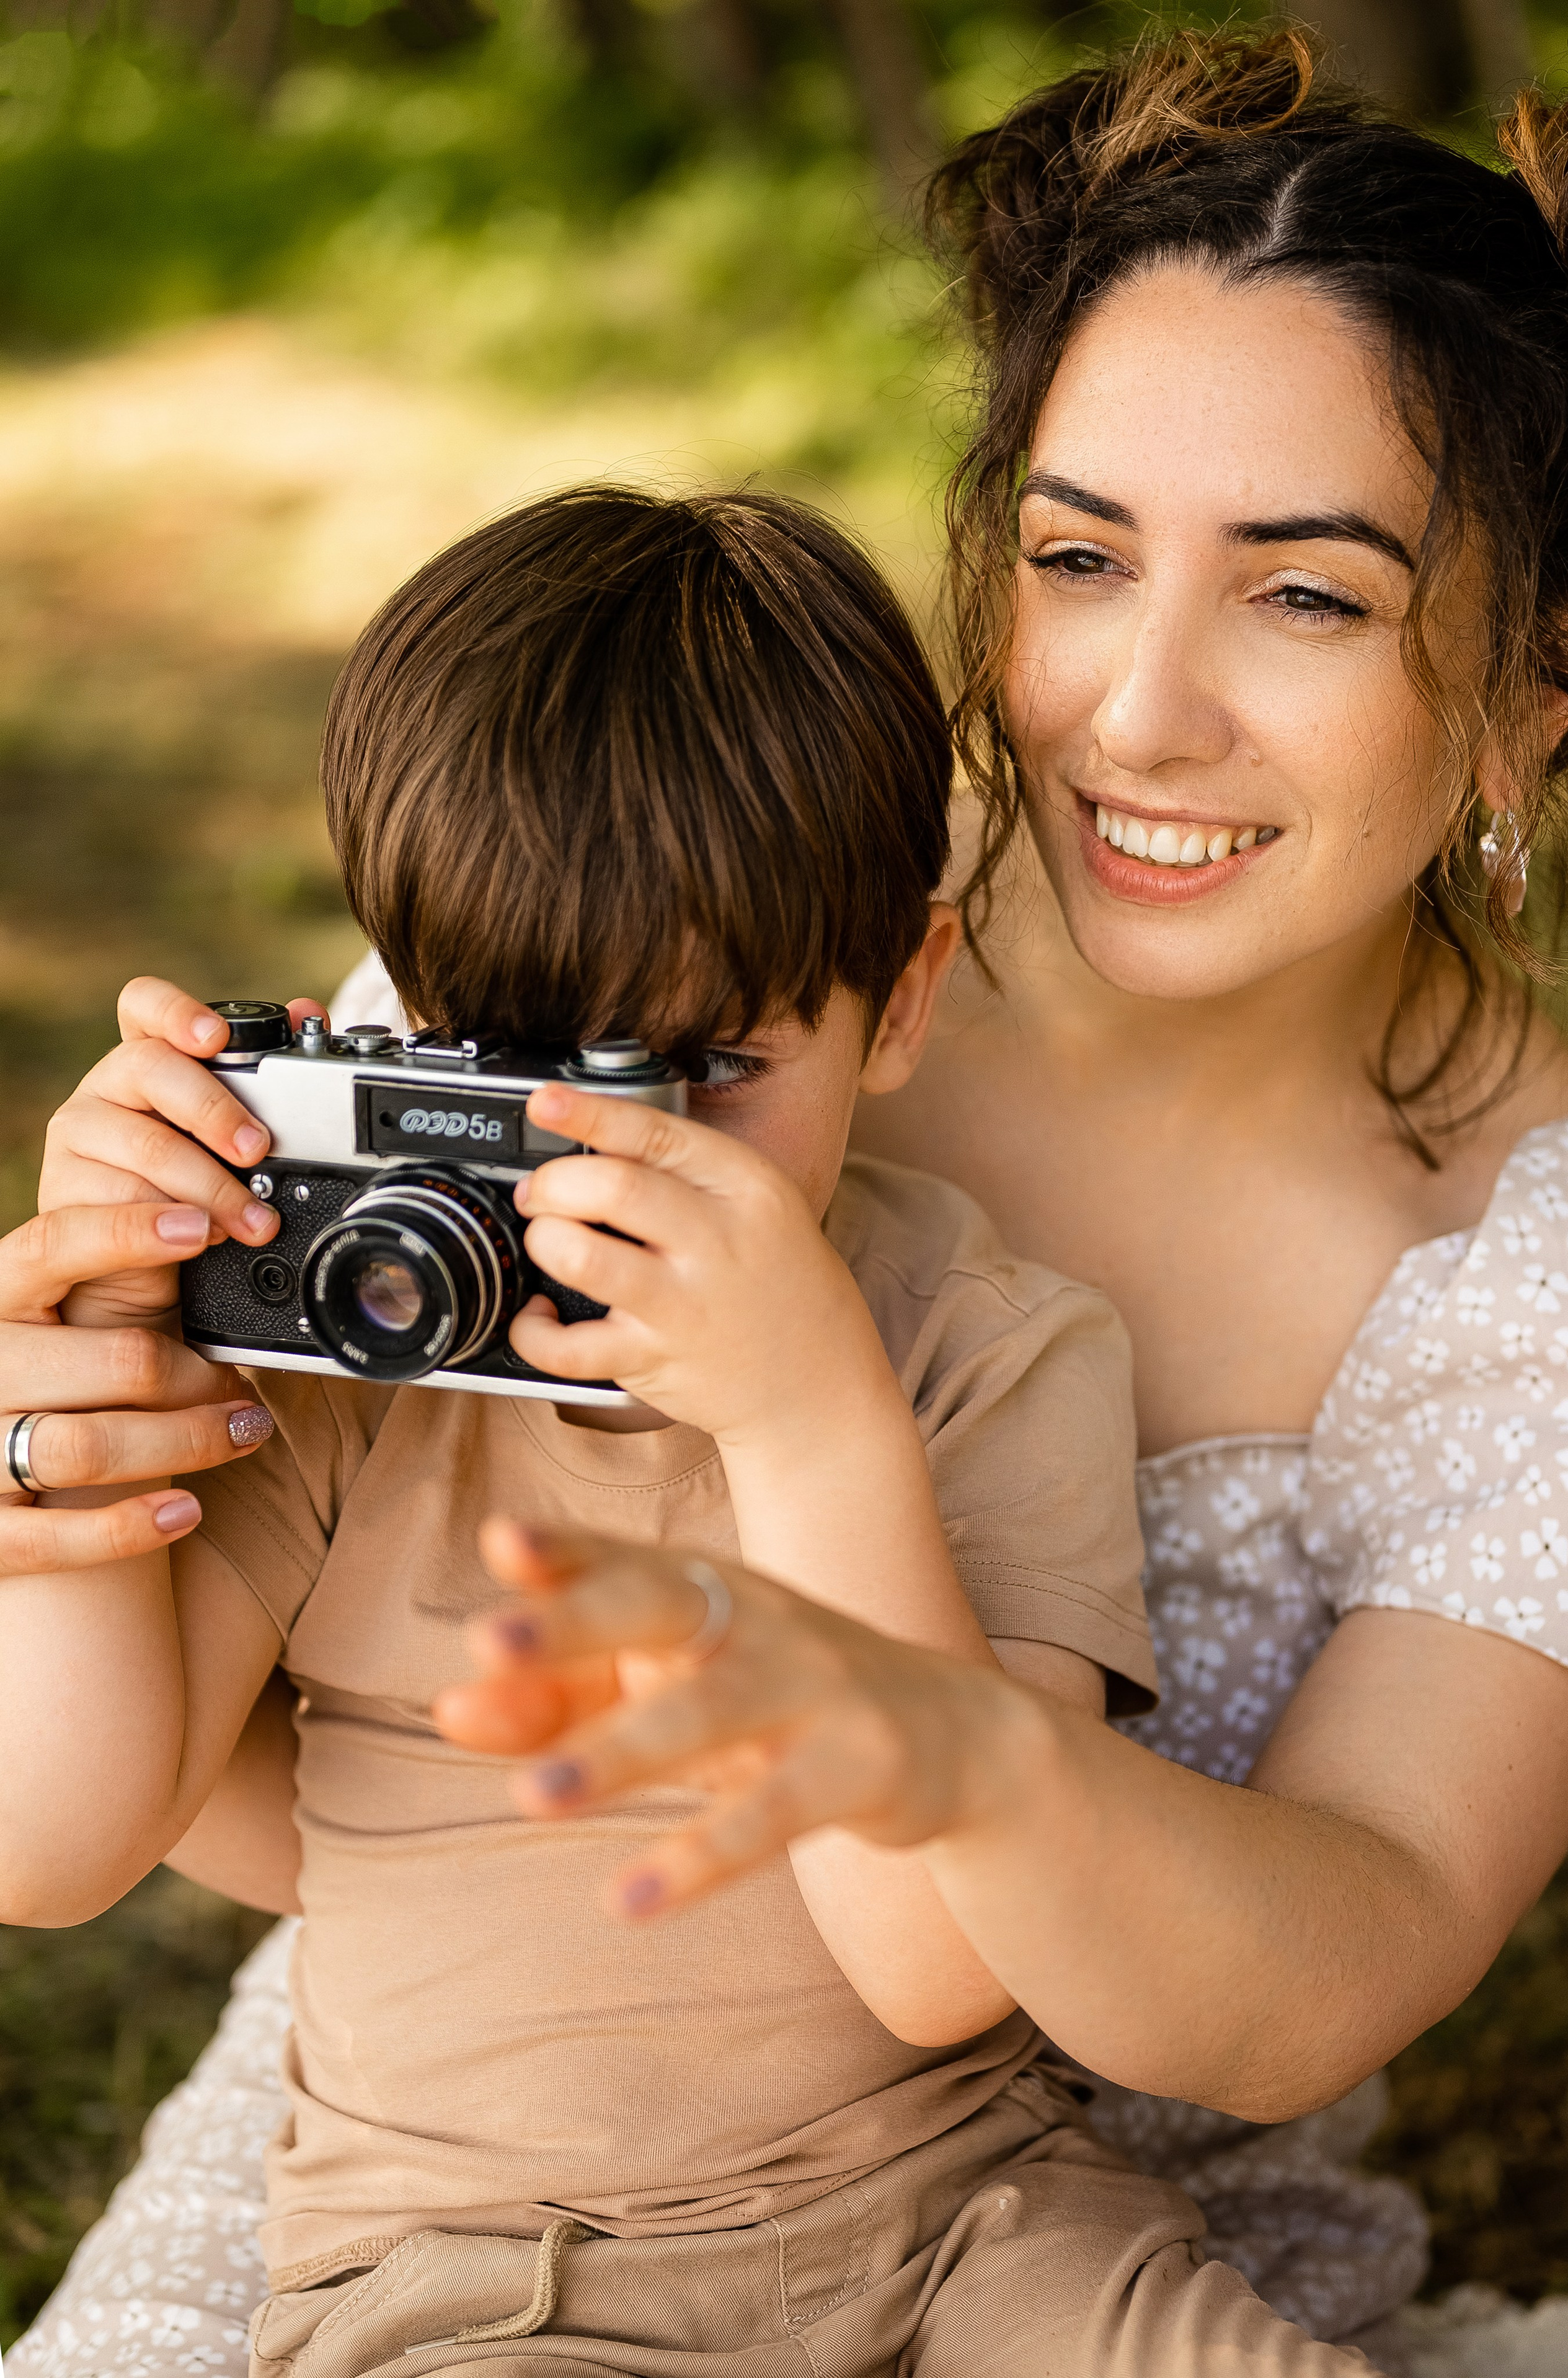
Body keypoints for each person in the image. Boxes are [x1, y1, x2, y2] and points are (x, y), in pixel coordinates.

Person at [12, 19, 1568, 2371]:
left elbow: (1338, 1956)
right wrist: (66, 1472)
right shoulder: (671, 915)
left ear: (1539, 693)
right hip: (450, 2135)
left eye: (1309, 597)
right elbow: (253, 1776)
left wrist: (938, 1732)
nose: (1136, 711)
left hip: (1052, 2222)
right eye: (1077, 558)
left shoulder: (1540, 1260)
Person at [0, 483, 1373, 2377]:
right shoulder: (344, 1343)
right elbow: (51, 1844)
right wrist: (96, 1368)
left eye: (707, 1070)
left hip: (967, 2218)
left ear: (899, 997)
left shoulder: (986, 1347)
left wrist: (810, 1424)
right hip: (484, 2274)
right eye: (518, 1068)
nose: (605, 1167)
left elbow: (934, 1964)